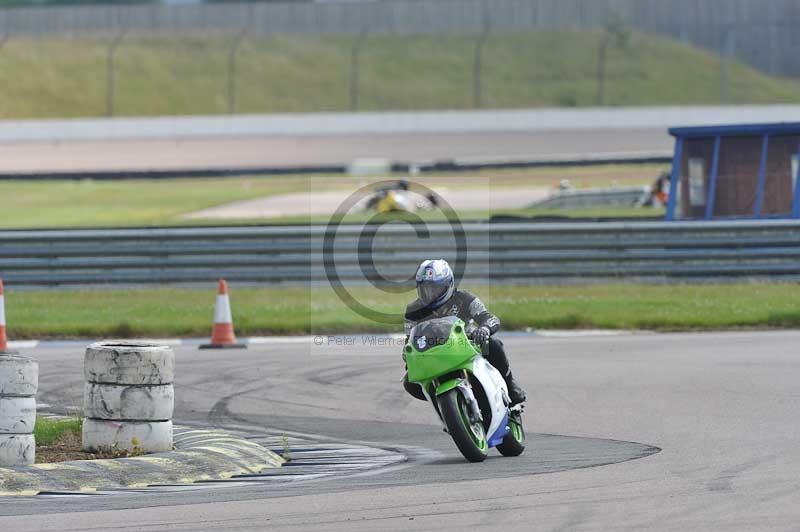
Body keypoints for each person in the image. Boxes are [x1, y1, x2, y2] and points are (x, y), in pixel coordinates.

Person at [402, 259, 527, 405]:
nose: (431, 295)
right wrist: (409, 355)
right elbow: (409, 339)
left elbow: (490, 318)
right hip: (435, 354)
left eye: (435, 289)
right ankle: (442, 405)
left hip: (467, 344)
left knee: (494, 345)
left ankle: (511, 386)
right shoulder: (413, 310)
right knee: (409, 382)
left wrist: (484, 329)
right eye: (426, 289)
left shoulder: (464, 298)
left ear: (448, 284)